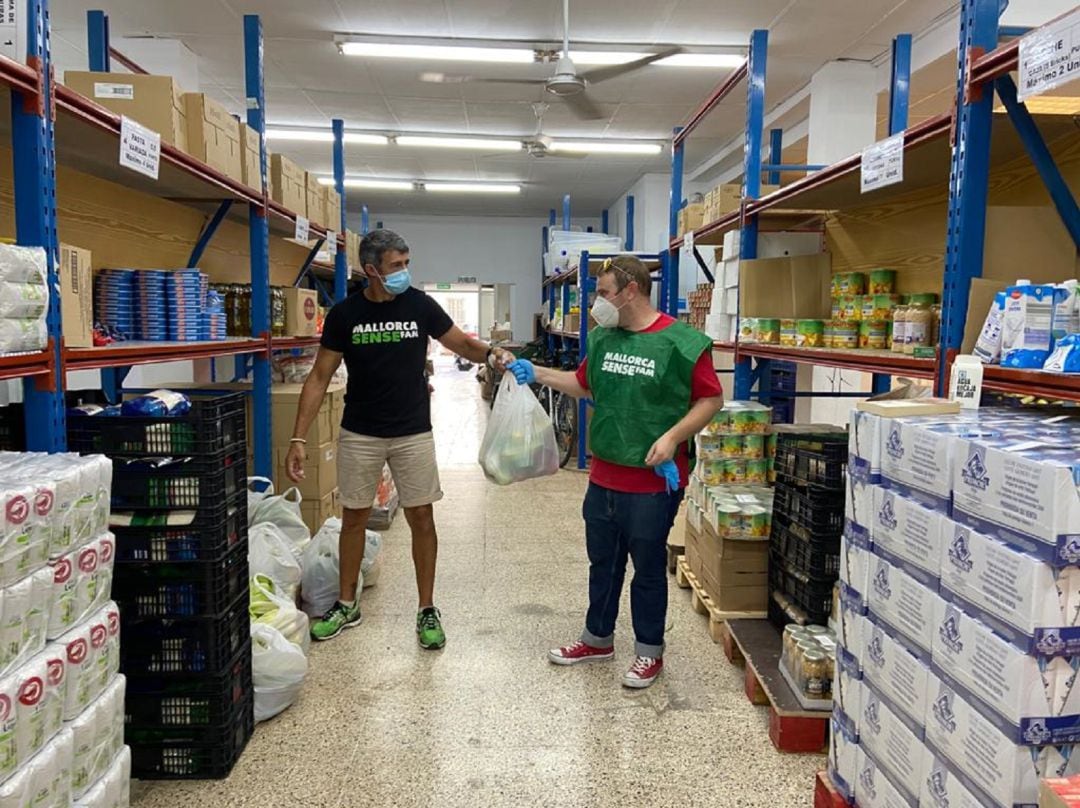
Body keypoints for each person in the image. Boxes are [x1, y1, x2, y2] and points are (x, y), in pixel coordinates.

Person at [286, 229, 511, 648]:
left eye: (407, 263)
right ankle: (347, 603)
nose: (404, 272)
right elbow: (318, 378)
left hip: (413, 432)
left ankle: (427, 608)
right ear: (371, 269)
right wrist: (298, 438)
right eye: (396, 265)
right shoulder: (345, 315)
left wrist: (494, 356)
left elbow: (460, 343)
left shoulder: (420, 306)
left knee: (421, 518)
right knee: (353, 517)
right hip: (360, 432)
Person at [506, 255, 723, 688]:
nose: (597, 303)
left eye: (604, 293)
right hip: (604, 476)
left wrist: (673, 437)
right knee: (602, 563)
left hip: (651, 481)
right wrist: (539, 373)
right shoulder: (603, 339)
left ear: (631, 291)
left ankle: (648, 652)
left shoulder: (682, 342)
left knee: (646, 567)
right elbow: (584, 385)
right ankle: (597, 638)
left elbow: (710, 400)